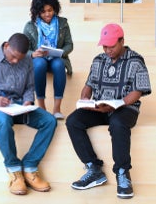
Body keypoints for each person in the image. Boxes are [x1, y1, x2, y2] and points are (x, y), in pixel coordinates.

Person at [65, 23, 151, 199]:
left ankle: (122, 173)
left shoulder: (136, 60)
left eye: (111, 46)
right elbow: (88, 85)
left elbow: (138, 91)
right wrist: (85, 101)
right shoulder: (98, 60)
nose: (107, 50)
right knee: (73, 120)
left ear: (122, 41)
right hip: (100, 107)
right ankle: (94, 168)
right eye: (104, 46)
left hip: (126, 108)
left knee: (118, 123)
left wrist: (119, 103)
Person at [0, 33, 57, 195]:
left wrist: (28, 101)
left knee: (50, 120)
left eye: (20, 58)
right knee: (3, 121)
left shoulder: (26, 60)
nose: (17, 61)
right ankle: (15, 171)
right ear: (6, 46)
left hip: (18, 107)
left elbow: (30, 87)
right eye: (14, 57)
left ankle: (30, 166)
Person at [23, 0, 73, 120]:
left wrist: (61, 52)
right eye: (43, 11)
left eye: (50, 10)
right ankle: (42, 107)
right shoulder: (30, 26)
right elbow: (24, 48)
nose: (47, 14)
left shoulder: (62, 23)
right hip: (40, 60)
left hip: (56, 58)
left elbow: (69, 44)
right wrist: (33, 54)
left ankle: (57, 109)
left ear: (55, 9)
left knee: (59, 64)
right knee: (39, 64)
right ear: (37, 12)